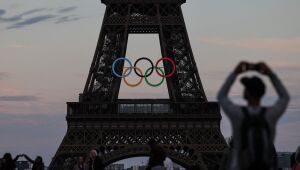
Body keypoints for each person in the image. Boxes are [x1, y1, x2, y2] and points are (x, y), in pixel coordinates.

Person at [217, 62, 290, 170]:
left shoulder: (238, 114)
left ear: (247, 93)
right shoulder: (270, 114)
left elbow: (221, 96)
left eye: (245, 88)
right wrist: (270, 74)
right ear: (263, 92)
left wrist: (235, 73)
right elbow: (284, 97)